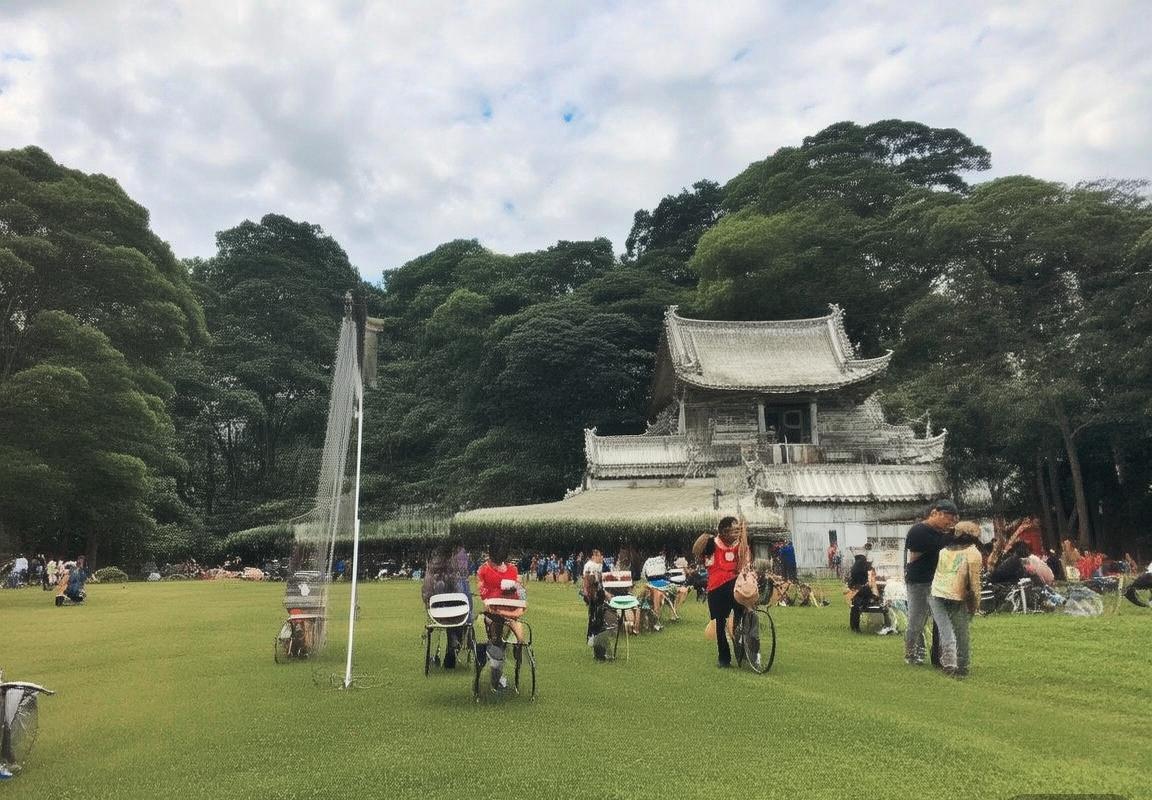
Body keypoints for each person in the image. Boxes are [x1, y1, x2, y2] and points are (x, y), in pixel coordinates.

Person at [904, 499, 957, 665]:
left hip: (938, 583)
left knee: (944, 621)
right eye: (947, 518)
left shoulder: (943, 534)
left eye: (952, 520)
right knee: (916, 621)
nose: (949, 523)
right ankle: (911, 652)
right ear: (935, 513)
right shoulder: (919, 531)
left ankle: (948, 658)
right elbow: (917, 555)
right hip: (919, 583)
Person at [929, 520, 982, 678]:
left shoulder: (943, 551)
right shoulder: (974, 553)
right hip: (956, 596)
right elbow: (975, 583)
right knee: (961, 632)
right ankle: (962, 667)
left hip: (936, 593)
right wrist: (976, 604)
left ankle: (948, 664)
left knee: (945, 631)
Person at [693, 516, 746, 668]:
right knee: (719, 623)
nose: (735, 534)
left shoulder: (739, 545)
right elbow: (696, 551)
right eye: (733, 530)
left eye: (737, 530)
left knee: (740, 615)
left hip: (734, 586)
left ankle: (741, 642)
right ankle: (724, 657)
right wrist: (704, 538)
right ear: (723, 531)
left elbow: (744, 560)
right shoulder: (711, 543)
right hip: (716, 588)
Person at [476, 544, 525, 691]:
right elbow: (483, 595)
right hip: (501, 615)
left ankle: (497, 663)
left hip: (503, 615)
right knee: (500, 633)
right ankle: (499, 665)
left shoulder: (506, 570)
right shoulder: (487, 570)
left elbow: (483, 594)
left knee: (501, 636)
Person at [421, 544, 472, 669]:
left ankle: (434, 655)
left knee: (436, 627)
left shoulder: (431, 576)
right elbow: (464, 599)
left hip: (437, 615)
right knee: (456, 624)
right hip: (457, 617)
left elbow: (426, 596)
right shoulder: (457, 576)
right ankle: (452, 651)